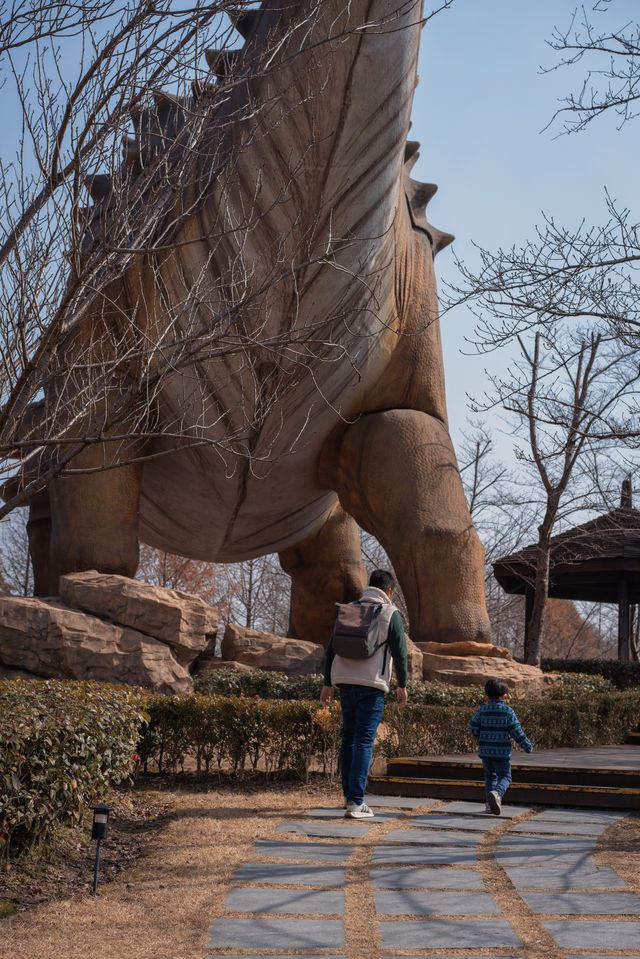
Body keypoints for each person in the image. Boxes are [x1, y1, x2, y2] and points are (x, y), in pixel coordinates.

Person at [320, 569, 408, 819]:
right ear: (389, 591)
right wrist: (402, 685)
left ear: (370, 586)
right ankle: (357, 803)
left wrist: (327, 683)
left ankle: (349, 798)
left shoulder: (349, 609)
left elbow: (331, 649)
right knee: (363, 741)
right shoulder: (390, 613)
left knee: (348, 739)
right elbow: (400, 653)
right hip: (372, 685)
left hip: (345, 682)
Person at [468, 677, 533, 815]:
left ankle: (489, 805)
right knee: (505, 777)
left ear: (486, 696)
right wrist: (526, 745)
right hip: (501, 753)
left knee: (490, 777)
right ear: (505, 696)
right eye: (508, 694)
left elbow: (472, 727)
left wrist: (480, 736)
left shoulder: (482, 711)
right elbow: (516, 731)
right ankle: (497, 794)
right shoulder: (508, 712)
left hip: (486, 752)